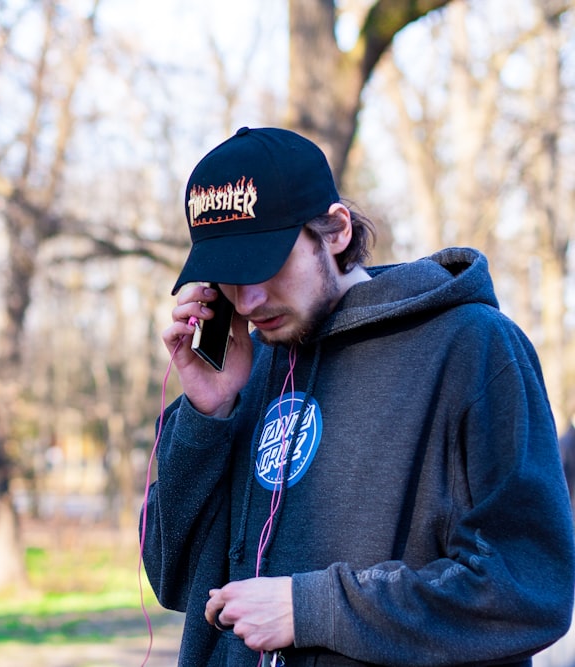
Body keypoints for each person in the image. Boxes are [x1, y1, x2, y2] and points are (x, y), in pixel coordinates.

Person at [141, 126, 575, 666]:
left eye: (266, 263)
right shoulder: (244, 371)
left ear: (337, 231)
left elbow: (527, 587)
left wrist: (312, 609)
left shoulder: (472, 346)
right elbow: (170, 576)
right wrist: (208, 414)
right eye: (228, 275)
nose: (248, 299)